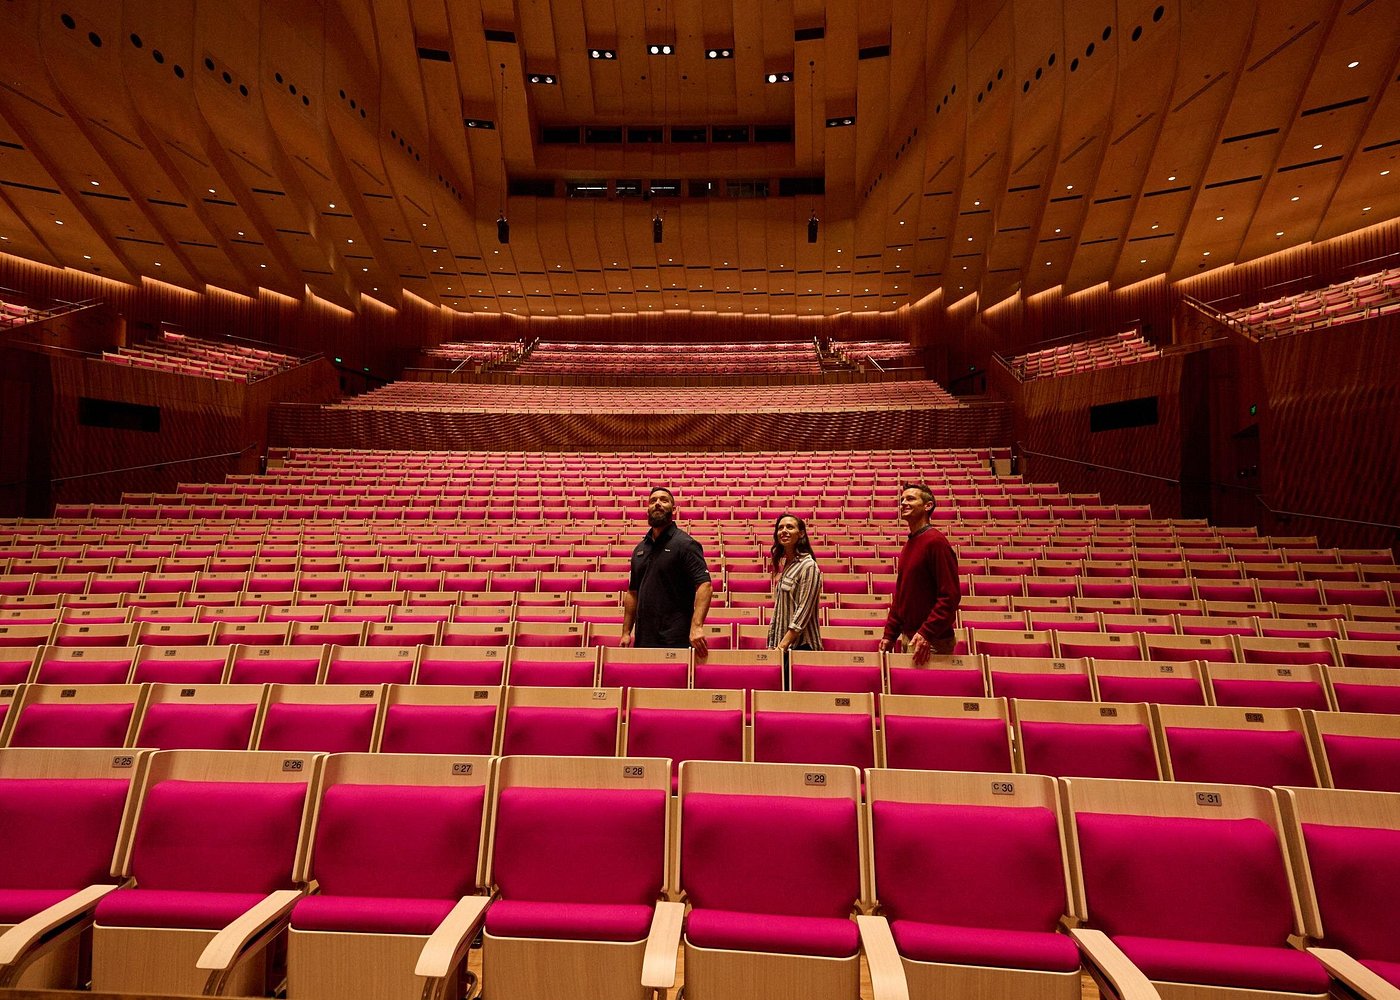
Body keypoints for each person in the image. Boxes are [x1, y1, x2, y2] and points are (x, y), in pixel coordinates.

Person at [620, 486, 713, 654]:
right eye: (653, 501)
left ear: (673, 509)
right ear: (647, 509)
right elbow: (632, 592)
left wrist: (697, 626)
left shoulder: (685, 544)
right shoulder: (640, 549)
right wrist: (626, 632)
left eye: (664, 500)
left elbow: (704, 585)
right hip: (644, 637)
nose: (657, 504)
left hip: (675, 637)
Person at [879, 482, 960, 664]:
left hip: (932, 640)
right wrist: (890, 634)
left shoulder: (936, 542)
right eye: (901, 500)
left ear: (927, 506)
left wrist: (926, 632)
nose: (903, 503)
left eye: (910, 499)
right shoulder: (909, 544)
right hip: (912, 637)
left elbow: (950, 596)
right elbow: (902, 596)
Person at [765, 514, 823, 652]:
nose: (784, 531)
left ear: (801, 534)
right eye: (780, 528)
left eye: (789, 527)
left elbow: (804, 610)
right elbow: (780, 611)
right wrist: (772, 644)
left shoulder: (808, 566)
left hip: (801, 648)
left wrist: (782, 646)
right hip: (784, 646)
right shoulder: (788, 565)